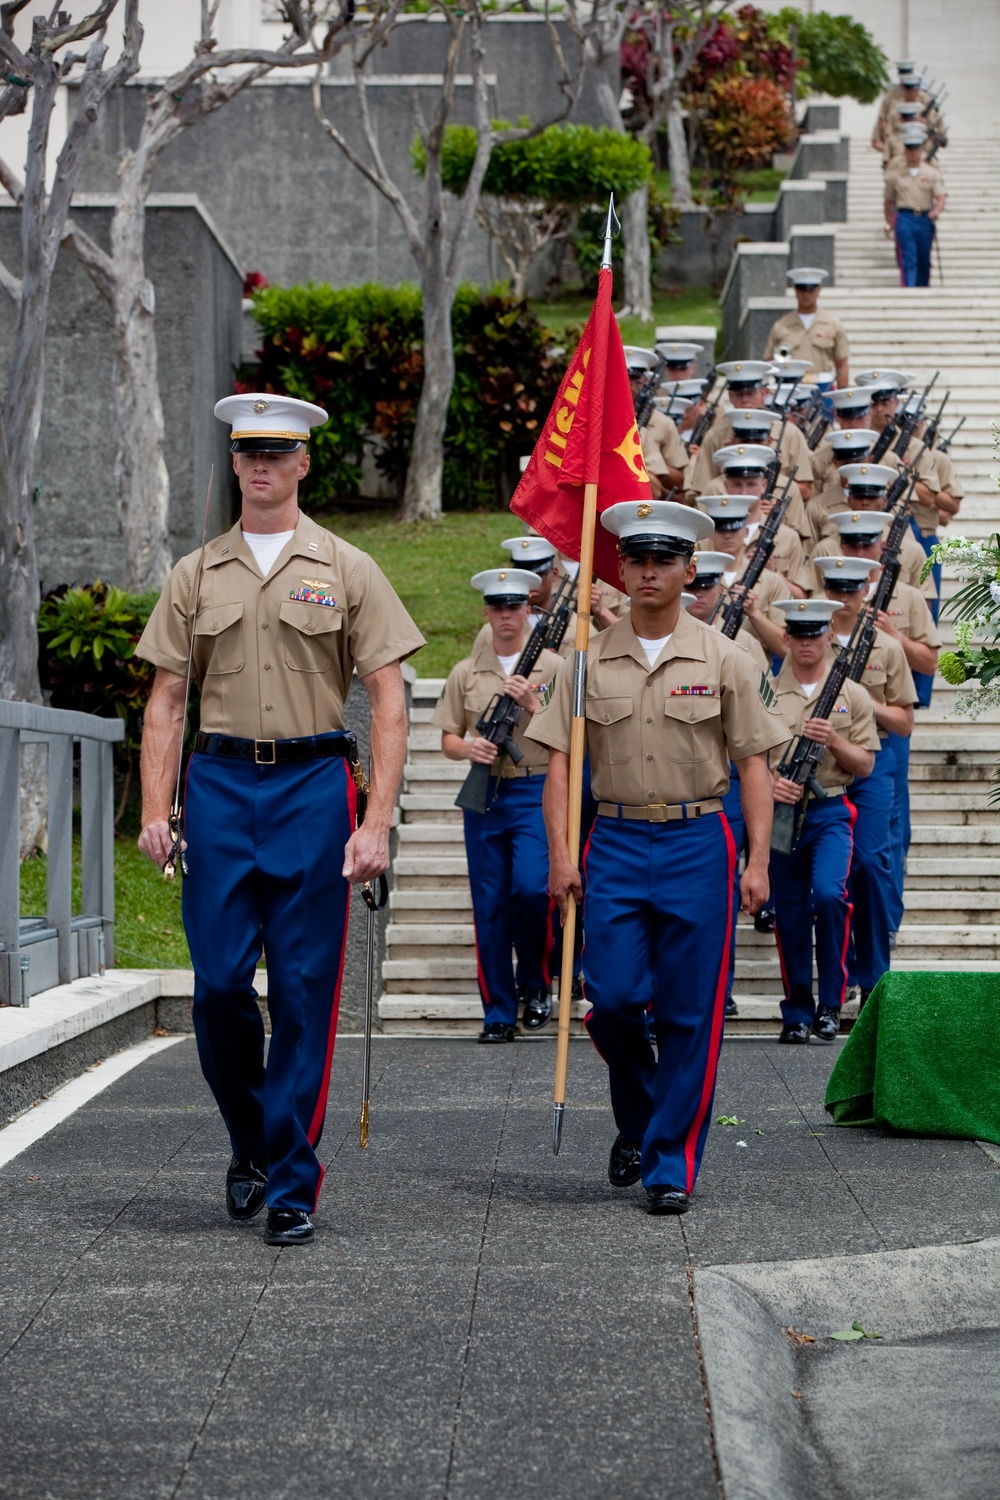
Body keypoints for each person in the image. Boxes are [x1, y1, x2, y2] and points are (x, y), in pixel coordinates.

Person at [135, 393, 425, 1246]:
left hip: (311, 789)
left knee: (302, 994)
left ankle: (294, 1180)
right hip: (221, 789)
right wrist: (156, 809)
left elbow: (387, 701)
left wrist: (376, 823)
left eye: (277, 452)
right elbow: (166, 700)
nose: (261, 465)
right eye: (246, 451)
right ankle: (251, 1142)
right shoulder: (195, 574)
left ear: (303, 464)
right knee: (220, 984)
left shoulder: (347, 568)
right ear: (233, 462)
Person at [527, 501, 787, 1214]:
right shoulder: (584, 663)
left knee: (688, 1012)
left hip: (697, 840)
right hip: (611, 840)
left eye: (663, 561)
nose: (648, 572)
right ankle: (641, 1119)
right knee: (609, 1001)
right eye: (636, 560)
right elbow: (557, 764)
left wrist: (759, 860)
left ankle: (669, 1162)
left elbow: (755, 765)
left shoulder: (727, 658)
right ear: (620, 569)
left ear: (688, 570)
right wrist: (559, 853)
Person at [433, 567, 564, 1041]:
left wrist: (533, 704)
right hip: (485, 794)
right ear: (487, 612)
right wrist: (468, 748)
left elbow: (577, 734)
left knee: (532, 889)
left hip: (535, 790)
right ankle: (498, 1012)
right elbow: (448, 735)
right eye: (498, 607)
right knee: (489, 905)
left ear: (529, 607)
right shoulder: (466, 672)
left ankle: (536, 982)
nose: (506, 615)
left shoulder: (553, 667)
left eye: (515, 606)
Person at [825, 510, 941, 934]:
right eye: (851, 544)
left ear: (881, 548)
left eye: (866, 544)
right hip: (831, 745)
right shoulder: (823, 615)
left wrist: (894, 635)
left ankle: (884, 923)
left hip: (883, 739)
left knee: (884, 842)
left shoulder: (906, 597)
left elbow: (931, 662)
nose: (859, 550)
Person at [768, 600, 879, 1044]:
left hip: (831, 809)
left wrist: (833, 739)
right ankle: (796, 1011)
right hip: (781, 814)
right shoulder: (767, 693)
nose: (807, 643)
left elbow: (866, 765)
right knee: (790, 914)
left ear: (828, 637)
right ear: (787, 639)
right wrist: (775, 783)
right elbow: (751, 756)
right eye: (799, 634)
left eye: (815, 634)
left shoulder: (852, 695)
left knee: (831, 896)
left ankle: (830, 1003)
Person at [814, 556, 918, 1009]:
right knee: (825, 879)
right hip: (823, 768)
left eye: (852, 590)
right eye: (835, 589)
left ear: (866, 592)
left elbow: (905, 722)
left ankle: (875, 976)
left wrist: (859, 705)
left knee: (871, 864)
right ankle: (835, 978)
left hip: (870, 763)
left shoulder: (886, 646)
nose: (843, 599)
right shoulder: (810, 640)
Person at [685, 549, 772, 1020]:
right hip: (685, 780)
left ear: (719, 588)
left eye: (706, 587)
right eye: (695, 588)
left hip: (733, 779)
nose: (699, 596)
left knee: (724, 889)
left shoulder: (744, 649)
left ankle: (725, 983)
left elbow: (763, 719)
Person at [692, 380, 815, 502]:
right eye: (739, 395)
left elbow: (806, 490)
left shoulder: (790, 433)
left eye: (750, 394)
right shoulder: (715, 435)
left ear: (763, 393)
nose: (745, 400)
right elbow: (703, 491)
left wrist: (774, 499)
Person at [763, 268, 850, 389]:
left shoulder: (832, 324)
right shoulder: (781, 326)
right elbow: (769, 363)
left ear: (819, 290)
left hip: (823, 386)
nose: (806, 294)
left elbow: (842, 364)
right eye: (801, 289)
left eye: (811, 289)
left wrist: (843, 399)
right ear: (795, 290)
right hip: (789, 387)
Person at [884, 128, 946, 288]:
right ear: (905, 150)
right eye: (910, 148)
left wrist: (936, 211)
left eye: (916, 148)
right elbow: (888, 200)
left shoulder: (931, 173)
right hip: (905, 217)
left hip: (924, 219)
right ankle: (909, 289)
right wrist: (888, 222)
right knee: (909, 257)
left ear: (922, 150)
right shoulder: (896, 174)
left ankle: (923, 289)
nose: (913, 152)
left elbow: (940, 196)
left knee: (924, 258)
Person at [625, 349, 690, 498]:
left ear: (645, 381)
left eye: (636, 380)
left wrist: (648, 467)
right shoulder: (601, 421)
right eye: (624, 379)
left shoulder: (663, 423)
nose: (631, 386)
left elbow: (680, 480)